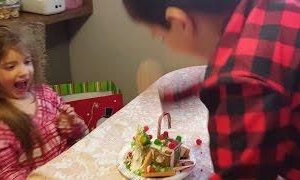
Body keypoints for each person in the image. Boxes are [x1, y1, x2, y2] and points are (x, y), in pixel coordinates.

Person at [122, 0, 300, 179]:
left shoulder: (241, 86)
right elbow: (256, 73)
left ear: (180, 22)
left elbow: (240, 174)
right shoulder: (267, 10)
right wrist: (174, 96)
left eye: (161, 37)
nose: (165, 43)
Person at [0, 24, 88, 180]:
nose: (24, 71)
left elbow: (80, 135)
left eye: (27, 62)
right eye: (11, 67)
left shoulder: (46, 94)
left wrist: (73, 125)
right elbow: (7, 174)